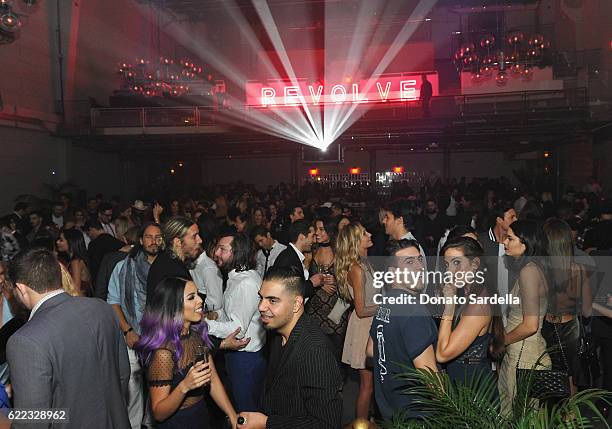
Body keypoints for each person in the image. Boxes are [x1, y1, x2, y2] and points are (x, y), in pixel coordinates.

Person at [7, 249, 131, 428]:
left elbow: (34, 421)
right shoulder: (102, 308)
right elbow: (122, 374)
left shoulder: (25, 341)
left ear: (21, 289)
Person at [237, 266, 342, 429]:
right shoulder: (277, 333)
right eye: (261, 298)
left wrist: (267, 423)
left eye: (272, 300)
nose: (261, 307)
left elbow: (326, 424)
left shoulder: (315, 351)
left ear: (296, 304)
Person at [136, 277, 237, 429]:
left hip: (201, 415)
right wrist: (185, 386)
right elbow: (158, 413)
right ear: (174, 306)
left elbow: (214, 381)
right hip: (178, 422)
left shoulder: (197, 334)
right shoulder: (163, 352)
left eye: (197, 294)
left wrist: (233, 416)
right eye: (191, 297)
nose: (200, 300)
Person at [366, 239, 438, 421]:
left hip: (389, 411)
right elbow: (432, 382)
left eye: (420, 259)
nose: (420, 267)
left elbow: (369, 350)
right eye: (409, 262)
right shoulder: (414, 310)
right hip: (417, 416)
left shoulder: (386, 302)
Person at [107, 223, 163, 429]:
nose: (153, 241)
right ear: (141, 240)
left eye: (158, 237)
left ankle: (150, 422)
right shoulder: (124, 267)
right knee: (132, 387)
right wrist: (128, 331)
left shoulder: (166, 268)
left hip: (160, 338)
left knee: (159, 384)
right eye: (149, 237)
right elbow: (112, 301)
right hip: (131, 337)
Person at [497, 220, 551, 415]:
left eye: (510, 238)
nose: (504, 242)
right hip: (525, 354)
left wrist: (501, 340)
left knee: (517, 418)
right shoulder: (535, 268)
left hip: (524, 357)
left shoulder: (529, 272)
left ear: (526, 243)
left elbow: (530, 325)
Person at [209, 232, 266, 412]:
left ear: (237, 253)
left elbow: (237, 329)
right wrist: (216, 315)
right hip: (242, 357)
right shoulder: (238, 277)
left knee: (246, 413)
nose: (216, 253)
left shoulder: (245, 283)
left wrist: (203, 325)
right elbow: (234, 310)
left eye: (222, 249)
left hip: (245, 359)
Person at [436, 237, 503, 388]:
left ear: (475, 264)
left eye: (457, 263)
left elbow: (442, 354)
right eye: (447, 264)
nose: (450, 271)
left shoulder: (478, 305)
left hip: (472, 387)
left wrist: (449, 307)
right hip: (465, 380)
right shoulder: (468, 293)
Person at [541, 218, 592, 393]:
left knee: (548, 377)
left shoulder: (539, 271)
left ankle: (549, 418)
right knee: (571, 378)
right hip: (571, 329)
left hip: (547, 327)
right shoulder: (579, 270)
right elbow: (587, 311)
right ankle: (571, 418)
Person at [337, 222, 377, 422]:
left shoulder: (364, 262)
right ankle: (361, 425)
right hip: (364, 327)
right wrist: (388, 303)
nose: (369, 234)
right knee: (367, 386)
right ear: (355, 241)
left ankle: (369, 420)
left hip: (371, 325)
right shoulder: (356, 268)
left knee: (372, 384)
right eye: (364, 233)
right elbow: (361, 310)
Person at [305, 217, 348, 359]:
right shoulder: (312, 249)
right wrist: (319, 283)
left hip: (335, 311)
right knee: (315, 354)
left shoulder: (340, 251)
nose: (317, 232)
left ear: (330, 231)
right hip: (314, 310)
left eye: (321, 229)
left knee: (335, 353)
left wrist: (338, 279)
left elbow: (352, 279)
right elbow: (304, 277)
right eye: (316, 229)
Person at [147, 216, 202, 303]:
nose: (200, 240)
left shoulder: (166, 261)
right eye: (194, 236)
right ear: (177, 242)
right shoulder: (174, 272)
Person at [272, 220, 325, 298]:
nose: (314, 240)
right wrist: (312, 283)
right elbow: (290, 291)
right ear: (301, 237)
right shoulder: (288, 258)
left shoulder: (292, 254)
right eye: (312, 236)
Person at [56, 228, 93, 296]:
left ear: (70, 242)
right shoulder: (75, 260)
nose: (57, 242)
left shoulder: (76, 262)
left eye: (61, 240)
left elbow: (76, 290)